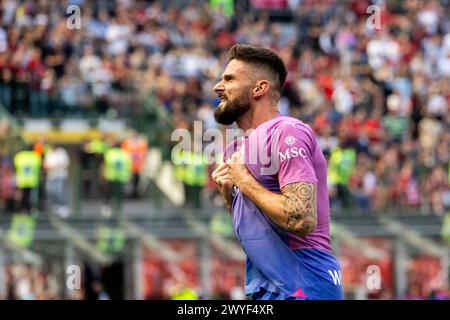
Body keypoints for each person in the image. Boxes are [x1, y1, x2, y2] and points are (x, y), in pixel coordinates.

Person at [211, 44, 343, 300]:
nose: (218, 86)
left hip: (306, 283)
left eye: (229, 79)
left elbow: (301, 219)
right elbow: (259, 228)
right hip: (265, 287)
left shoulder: (287, 132)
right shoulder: (235, 150)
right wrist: (230, 196)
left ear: (259, 88)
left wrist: (244, 182)